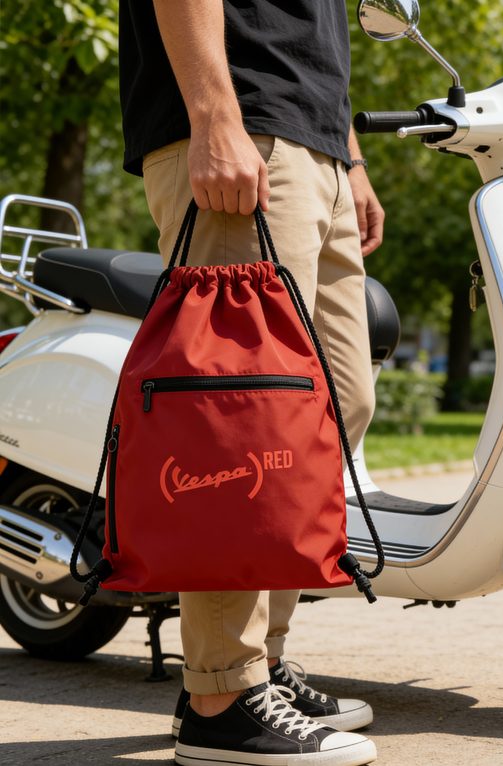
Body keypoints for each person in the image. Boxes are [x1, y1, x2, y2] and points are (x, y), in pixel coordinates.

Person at [120, 2, 381, 764]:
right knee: (239, 424)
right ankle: (222, 697)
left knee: (336, 404)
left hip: (312, 138)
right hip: (242, 120)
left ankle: (256, 666)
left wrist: (349, 158)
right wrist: (214, 115)